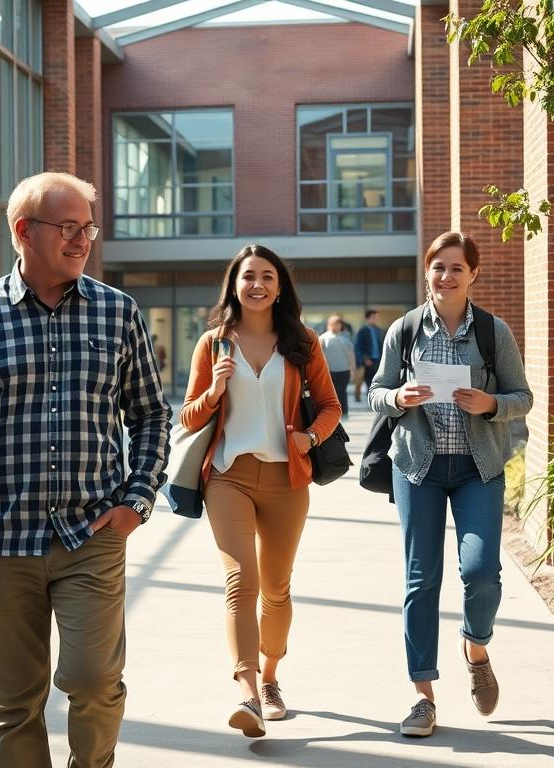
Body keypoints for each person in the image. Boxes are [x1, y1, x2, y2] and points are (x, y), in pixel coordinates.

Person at [0, 171, 172, 768]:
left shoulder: (119, 314)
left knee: (93, 680)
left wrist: (136, 500)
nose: (82, 239)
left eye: (88, 227)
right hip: (2, 538)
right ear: (22, 232)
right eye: (68, 227)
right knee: (15, 702)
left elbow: (150, 416)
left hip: (92, 532)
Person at [367, 231, 532, 738]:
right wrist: (399, 397)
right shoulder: (406, 329)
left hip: (478, 469)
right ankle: (423, 697)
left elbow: (522, 397)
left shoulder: (493, 332)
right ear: (427, 272)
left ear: (472, 274)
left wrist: (491, 405)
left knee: (482, 572)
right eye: (438, 267)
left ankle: (475, 646)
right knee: (422, 580)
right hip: (419, 467)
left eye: (456, 268)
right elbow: (375, 392)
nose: (446, 276)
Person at [179, 244, 341, 738]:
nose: (257, 285)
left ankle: (271, 677)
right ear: (234, 285)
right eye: (248, 276)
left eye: (267, 276)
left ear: (279, 286)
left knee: (276, 589)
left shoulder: (303, 341)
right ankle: (247, 693)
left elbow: (331, 407)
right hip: (228, 477)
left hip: (286, 479)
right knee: (240, 584)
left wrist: (308, 437)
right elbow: (187, 417)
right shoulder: (212, 345)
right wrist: (214, 392)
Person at [318, 315, 357, 412]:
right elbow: (319, 356)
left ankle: (344, 411)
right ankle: (332, 412)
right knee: (331, 393)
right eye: (334, 324)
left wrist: (353, 369)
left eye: (338, 324)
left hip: (344, 371)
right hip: (329, 371)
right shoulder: (323, 338)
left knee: (342, 392)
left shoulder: (345, 338)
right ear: (329, 325)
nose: (336, 326)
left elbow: (351, 355)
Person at [354, 309, 383, 402]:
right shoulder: (362, 331)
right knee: (367, 380)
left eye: (376, 318)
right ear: (367, 319)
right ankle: (368, 398)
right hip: (367, 360)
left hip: (378, 359)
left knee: (376, 380)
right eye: (373, 318)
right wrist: (365, 358)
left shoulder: (379, 330)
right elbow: (359, 346)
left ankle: (373, 398)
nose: (375, 319)